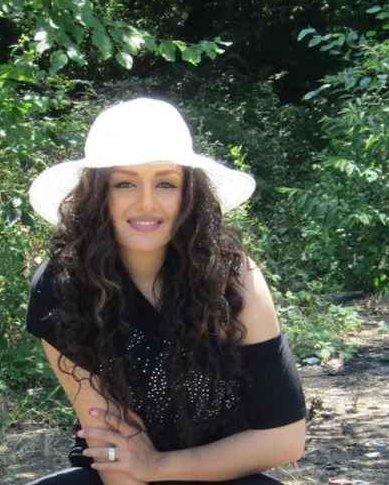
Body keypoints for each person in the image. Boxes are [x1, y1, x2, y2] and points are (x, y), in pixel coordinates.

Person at [25, 97, 306, 485]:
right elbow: (112, 452)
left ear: (190, 194)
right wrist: (140, 468)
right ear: (97, 193)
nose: (146, 203)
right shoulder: (62, 286)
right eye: (124, 183)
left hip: (223, 474)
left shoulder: (235, 279)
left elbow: (284, 439)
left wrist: (157, 465)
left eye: (165, 183)